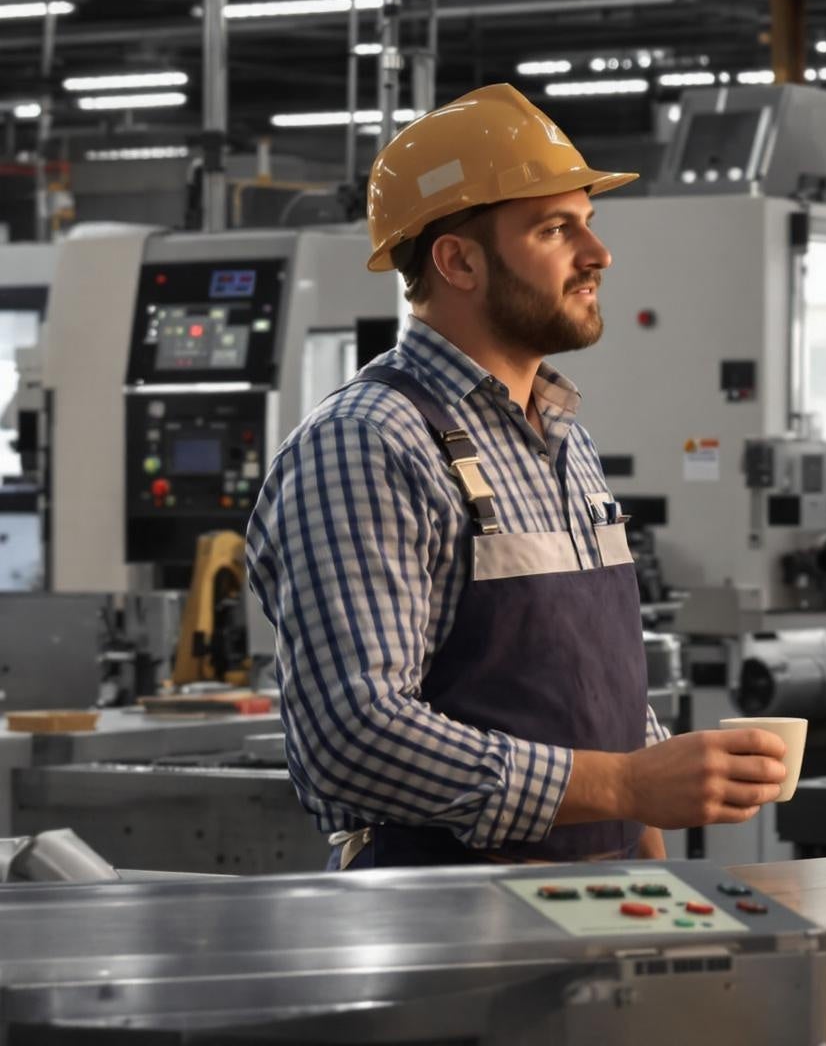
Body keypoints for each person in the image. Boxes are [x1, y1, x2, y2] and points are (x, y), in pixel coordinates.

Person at [250, 84, 789, 869]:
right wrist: (627, 786)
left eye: (588, 226)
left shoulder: (565, 438)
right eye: (554, 229)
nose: (597, 255)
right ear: (458, 259)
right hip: (442, 923)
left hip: (600, 902)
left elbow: (591, 686)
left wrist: (648, 832)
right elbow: (352, 735)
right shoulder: (367, 443)